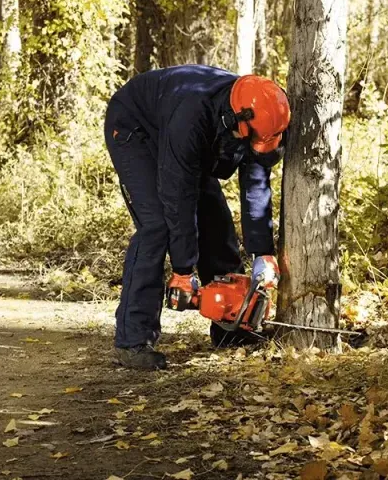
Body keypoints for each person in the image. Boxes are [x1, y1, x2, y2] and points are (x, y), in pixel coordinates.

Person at [104, 65, 290, 370]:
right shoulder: (191, 118)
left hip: (189, 138)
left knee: (215, 222)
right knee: (157, 226)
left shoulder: (265, 117)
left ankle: (231, 327)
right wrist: (183, 269)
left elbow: (256, 184)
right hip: (136, 128)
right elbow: (178, 196)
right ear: (235, 119)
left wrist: (263, 252)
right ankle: (133, 340)